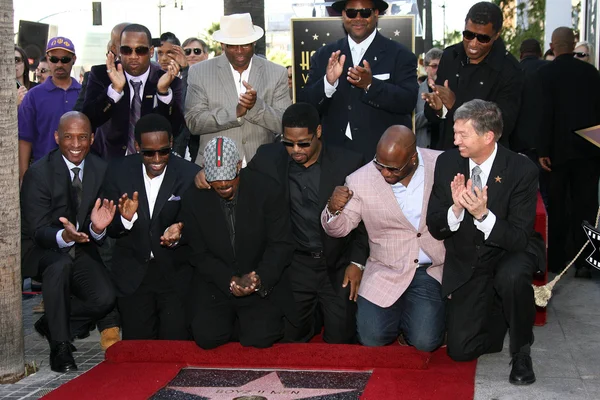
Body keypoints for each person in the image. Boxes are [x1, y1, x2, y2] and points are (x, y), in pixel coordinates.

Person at [426, 99, 544, 385]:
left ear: (488, 136)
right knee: (460, 350)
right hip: (468, 258)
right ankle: (501, 313)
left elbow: (518, 237)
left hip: (509, 251)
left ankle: (521, 351)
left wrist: (482, 215)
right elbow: (436, 225)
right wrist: (455, 210)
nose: (455, 141)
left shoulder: (521, 169)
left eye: (462, 134)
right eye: (454, 133)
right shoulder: (448, 162)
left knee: (512, 278)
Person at [247, 103, 368, 344]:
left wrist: (357, 262)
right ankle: (313, 318)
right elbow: (240, 182)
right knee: (291, 340)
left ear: (319, 132)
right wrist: (203, 177)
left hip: (337, 264)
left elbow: (366, 222)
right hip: (296, 264)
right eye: (288, 143)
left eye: (303, 143)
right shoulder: (268, 158)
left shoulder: (348, 162)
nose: (295, 150)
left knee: (342, 341)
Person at [321, 125, 445, 351]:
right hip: (385, 269)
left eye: (393, 169)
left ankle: (416, 320)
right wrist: (332, 209)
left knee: (425, 342)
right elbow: (340, 229)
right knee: (371, 338)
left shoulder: (441, 164)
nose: (385, 173)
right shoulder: (360, 180)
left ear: (413, 159)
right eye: (380, 164)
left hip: (430, 268)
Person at [178, 136, 297, 349]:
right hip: (218, 283)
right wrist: (230, 280)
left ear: (239, 165)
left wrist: (258, 279)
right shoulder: (194, 197)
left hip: (258, 280)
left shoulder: (267, 189)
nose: (223, 185)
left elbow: (281, 244)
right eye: (216, 180)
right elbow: (198, 253)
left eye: (228, 178)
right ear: (205, 170)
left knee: (260, 338)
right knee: (207, 337)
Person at [21, 111, 117, 372]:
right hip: (41, 248)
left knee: (105, 298)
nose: (76, 144)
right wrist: (63, 236)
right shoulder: (38, 173)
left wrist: (97, 228)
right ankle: (60, 347)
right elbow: (37, 230)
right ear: (56, 138)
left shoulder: (100, 168)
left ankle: (53, 324)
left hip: (80, 246)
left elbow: (98, 221)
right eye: (68, 137)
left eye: (82, 137)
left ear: (92, 138)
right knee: (59, 265)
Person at [102, 114, 200, 340]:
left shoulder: (189, 174)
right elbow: (111, 229)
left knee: (174, 348)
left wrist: (181, 231)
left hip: (175, 275)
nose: (157, 158)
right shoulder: (117, 171)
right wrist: (125, 219)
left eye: (163, 151)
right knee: (139, 354)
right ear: (137, 147)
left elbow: (198, 224)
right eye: (149, 152)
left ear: (172, 144)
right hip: (134, 276)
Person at [299, 0, 418, 160]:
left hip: (381, 156)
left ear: (376, 14)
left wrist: (371, 85)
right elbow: (306, 105)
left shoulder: (400, 55)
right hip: (333, 156)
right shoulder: (324, 55)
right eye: (351, 13)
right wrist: (328, 83)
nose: (358, 18)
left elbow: (408, 101)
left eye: (365, 12)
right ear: (343, 15)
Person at [185, 13, 291, 166]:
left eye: (245, 44)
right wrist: (235, 112)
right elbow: (194, 123)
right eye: (233, 46)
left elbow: (284, 124)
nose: (240, 51)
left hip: (263, 168)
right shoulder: (199, 72)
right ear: (222, 44)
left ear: (254, 42)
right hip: (215, 168)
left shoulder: (276, 72)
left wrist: (256, 106)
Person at [538, 27, 600, 278]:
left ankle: (556, 260)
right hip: (589, 151)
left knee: (557, 206)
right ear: (573, 45)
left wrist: (542, 149)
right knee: (586, 206)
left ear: (553, 46)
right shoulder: (592, 74)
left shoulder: (546, 74)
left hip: (556, 153)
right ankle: (586, 261)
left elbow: (543, 115)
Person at [423, 2, 523, 150]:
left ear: (496, 35)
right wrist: (438, 109)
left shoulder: (510, 70)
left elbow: (503, 126)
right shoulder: (450, 56)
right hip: (449, 154)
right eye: (468, 35)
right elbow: (431, 117)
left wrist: (456, 106)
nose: (473, 44)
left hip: (486, 161)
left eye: (483, 38)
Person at [82, 23, 183, 160]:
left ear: (151, 51)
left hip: (152, 162)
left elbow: (175, 128)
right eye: (126, 50)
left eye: (140, 50)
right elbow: (89, 119)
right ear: (118, 50)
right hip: (110, 162)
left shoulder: (167, 80)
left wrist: (163, 92)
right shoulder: (101, 75)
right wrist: (114, 91)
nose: (133, 56)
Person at [18, 37, 82, 183]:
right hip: (43, 174)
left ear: (74, 59)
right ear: (48, 59)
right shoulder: (33, 96)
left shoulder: (84, 93)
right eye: (54, 59)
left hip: (79, 176)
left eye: (65, 59)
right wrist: (24, 177)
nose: (59, 64)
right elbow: (25, 138)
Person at [181, 37, 209, 162]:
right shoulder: (173, 78)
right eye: (187, 52)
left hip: (205, 141)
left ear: (206, 55)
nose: (192, 55)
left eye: (197, 51)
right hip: (181, 144)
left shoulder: (214, 78)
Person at [415, 48, 442, 148]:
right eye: (434, 66)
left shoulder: (450, 90)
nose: (438, 70)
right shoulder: (417, 91)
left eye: (441, 66)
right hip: (425, 147)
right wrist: (432, 111)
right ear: (426, 68)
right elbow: (412, 122)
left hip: (446, 146)